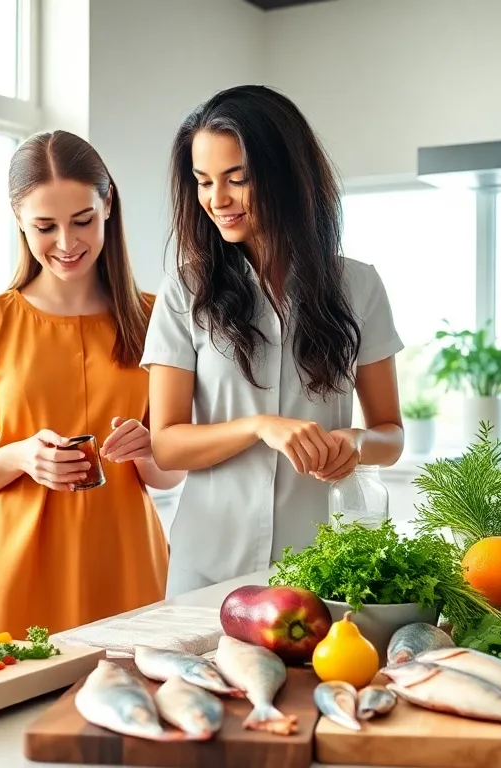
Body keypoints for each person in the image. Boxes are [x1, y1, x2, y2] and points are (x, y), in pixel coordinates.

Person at [143, 85, 406, 596]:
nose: (217, 200)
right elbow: (167, 443)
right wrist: (259, 426)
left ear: (287, 177)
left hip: (320, 569)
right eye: (203, 182)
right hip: (207, 569)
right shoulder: (186, 289)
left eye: (237, 179)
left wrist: (355, 442)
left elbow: (391, 436)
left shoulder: (360, 286)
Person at [0, 130, 185, 639]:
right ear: (18, 220)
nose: (67, 243)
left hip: (125, 560)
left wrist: (147, 449)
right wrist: (20, 456)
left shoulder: (154, 316)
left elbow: (168, 476)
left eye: (82, 221)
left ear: (108, 205)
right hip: (16, 565)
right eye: (44, 226)